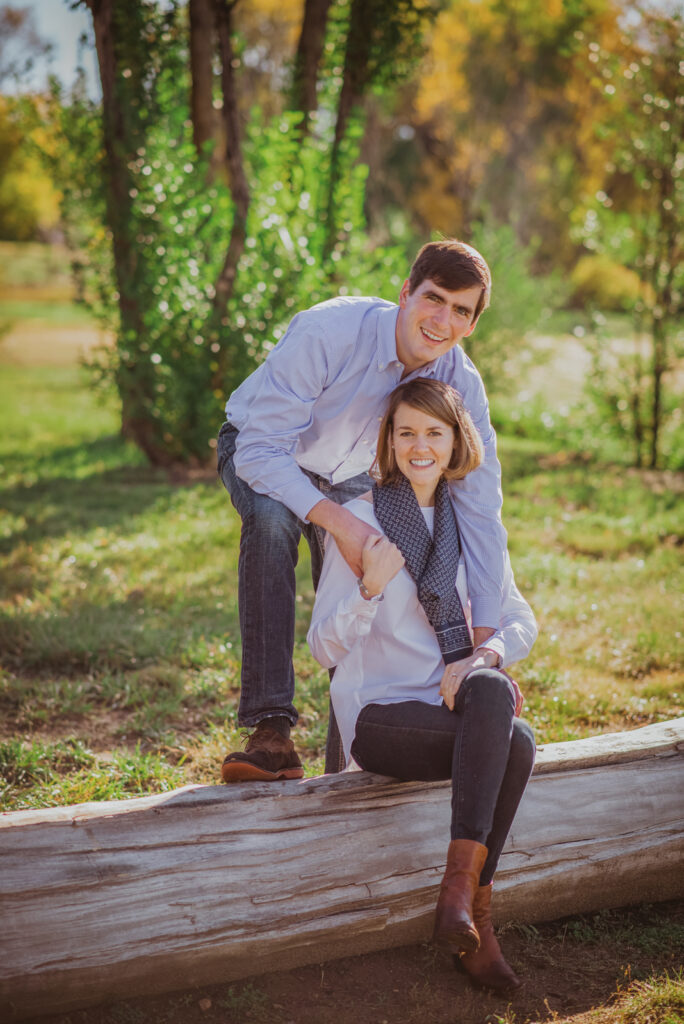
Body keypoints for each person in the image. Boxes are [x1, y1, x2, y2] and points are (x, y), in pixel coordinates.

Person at [218, 240, 508, 782]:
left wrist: (485, 648)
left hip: (356, 473)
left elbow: (479, 509)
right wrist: (343, 523)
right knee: (274, 523)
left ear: (472, 323)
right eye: (434, 298)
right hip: (266, 450)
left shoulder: (461, 382)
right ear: (405, 292)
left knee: (372, 575)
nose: (442, 320)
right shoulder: (329, 331)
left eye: (461, 310)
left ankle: (346, 757)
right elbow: (260, 449)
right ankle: (271, 732)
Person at [307, 377, 537, 992]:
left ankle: (461, 904)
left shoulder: (474, 523)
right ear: (388, 440)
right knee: (512, 737)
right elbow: (321, 646)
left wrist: (483, 654)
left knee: (498, 703)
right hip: (381, 718)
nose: (419, 446)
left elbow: (519, 618)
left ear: (455, 439)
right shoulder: (359, 521)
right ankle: (474, 917)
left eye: (434, 432)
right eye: (405, 431)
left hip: (455, 710)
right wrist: (369, 588)